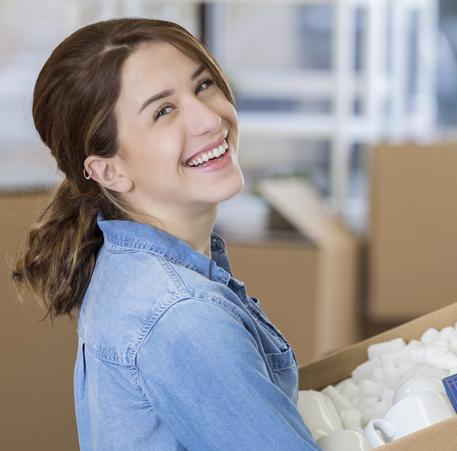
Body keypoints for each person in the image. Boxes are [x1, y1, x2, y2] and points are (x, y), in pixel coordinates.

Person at [11, 18, 319, 450]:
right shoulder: (183, 316)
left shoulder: (130, 268)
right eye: (163, 111)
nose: (209, 120)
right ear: (108, 170)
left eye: (203, 85)